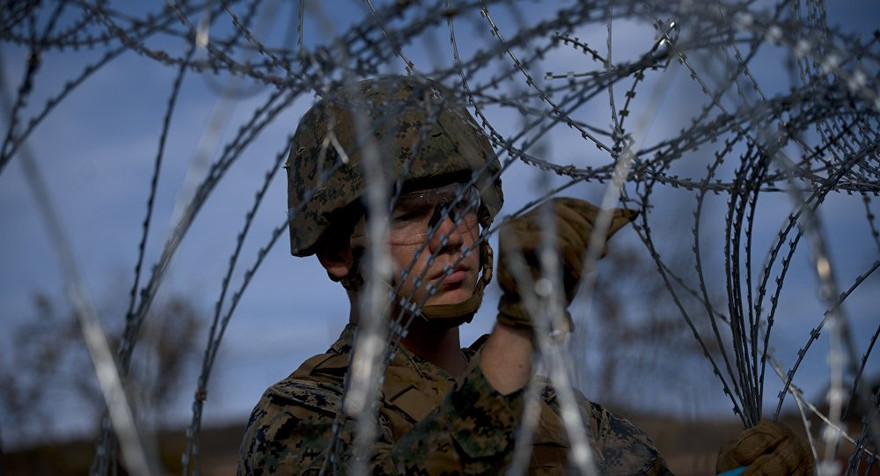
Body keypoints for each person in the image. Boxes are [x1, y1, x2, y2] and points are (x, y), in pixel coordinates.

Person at [238, 75, 813, 475]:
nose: (452, 236)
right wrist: (520, 328)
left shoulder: (564, 412)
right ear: (336, 253)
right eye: (409, 215)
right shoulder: (304, 414)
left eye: (463, 206)